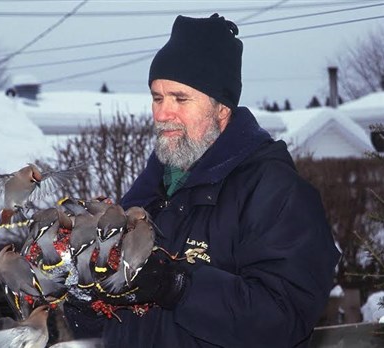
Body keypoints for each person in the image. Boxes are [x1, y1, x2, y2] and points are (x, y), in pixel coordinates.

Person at [64, 13, 340, 347]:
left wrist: (180, 286)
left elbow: (284, 318)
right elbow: (112, 328)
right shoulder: (148, 192)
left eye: (180, 98)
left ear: (221, 108)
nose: (163, 113)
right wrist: (86, 298)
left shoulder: (274, 191)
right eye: (157, 97)